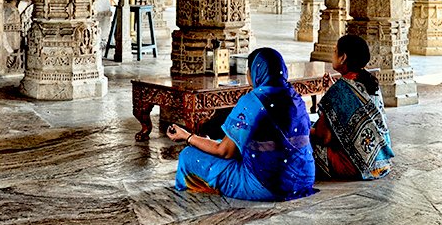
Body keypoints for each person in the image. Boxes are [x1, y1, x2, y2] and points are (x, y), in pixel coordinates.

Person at [167, 47, 316, 201]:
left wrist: (187, 136)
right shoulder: (295, 97)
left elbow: (224, 151)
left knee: (188, 155)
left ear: (254, 73)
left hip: (269, 186)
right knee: (228, 144)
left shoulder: (253, 101)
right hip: (304, 179)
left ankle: (201, 187)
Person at [310, 34, 395, 180]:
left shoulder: (339, 91)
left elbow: (323, 138)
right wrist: (333, 92)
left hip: (354, 166)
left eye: (335, 51)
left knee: (299, 142)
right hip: (380, 164)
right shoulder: (370, 82)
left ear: (343, 58)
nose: (333, 55)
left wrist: (304, 130)